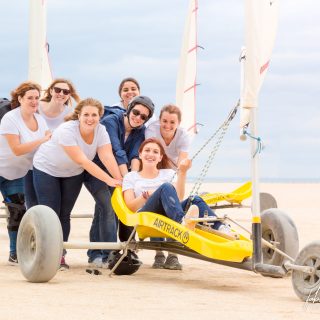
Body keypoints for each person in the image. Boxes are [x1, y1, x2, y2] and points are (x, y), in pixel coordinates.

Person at [32, 98, 122, 269]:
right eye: (86, 114)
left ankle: (60, 256)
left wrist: (119, 181)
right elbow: (84, 161)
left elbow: (107, 156)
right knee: (50, 214)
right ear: (78, 116)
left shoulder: (101, 130)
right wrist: (109, 180)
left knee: (65, 214)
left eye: (94, 115)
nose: (90, 118)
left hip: (72, 173)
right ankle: (46, 254)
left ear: (99, 116)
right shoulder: (67, 130)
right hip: (47, 169)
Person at [122, 138, 233, 269]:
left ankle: (220, 227)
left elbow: (179, 197)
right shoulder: (131, 177)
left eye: (155, 152)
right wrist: (146, 196)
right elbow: (130, 205)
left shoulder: (168, 173)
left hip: (170, 211)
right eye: (147, 150)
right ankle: (182, 223)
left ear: (160, 157)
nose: (151, 154)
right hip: (147, 214)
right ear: (140, 154)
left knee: (195, 199)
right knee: (166, 187)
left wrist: (183, 172)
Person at [85, 95, 155, 268]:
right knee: (108, 208)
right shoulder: (110, 121)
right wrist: (126, 180)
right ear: (129, 108)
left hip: (118, 175)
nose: (138, 117)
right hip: (97, 171)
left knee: (103, 210)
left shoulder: (140, 130)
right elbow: (117, 151)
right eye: (136, 112)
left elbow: (134, 156)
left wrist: (135, 179)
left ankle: (95, 254)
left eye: (143, 116)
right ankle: (108, 255)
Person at [0, 81, 51, 264]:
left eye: (37, 98)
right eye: (30, 98)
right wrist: (43, 139)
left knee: (18, 212)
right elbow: (17, 149)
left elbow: (46, 146)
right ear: (20, 99)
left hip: (17, 173)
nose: (34, 101)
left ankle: (15, 253)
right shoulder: (10, 118)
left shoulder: (41, 119)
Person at [145, 104, 191, 269]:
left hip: (171, 171)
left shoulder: (183, 136)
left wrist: (181, 175)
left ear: (178, 123)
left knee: (173, 205)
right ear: (159, 120)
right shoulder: (152, 130)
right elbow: (150, 151)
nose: (168, 125)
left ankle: (173, 255)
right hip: (154, 165)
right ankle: (159, 254)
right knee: (157, 208)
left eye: (172, 122)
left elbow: (182, 162)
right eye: (164, 121)